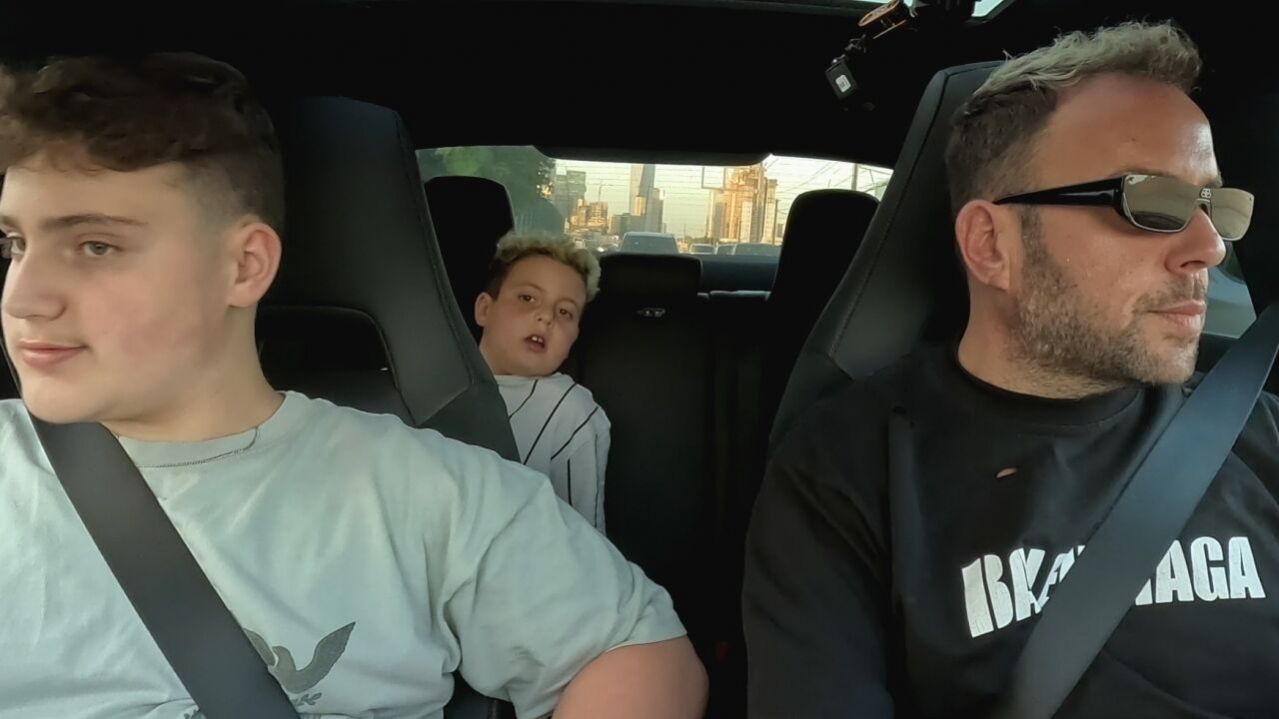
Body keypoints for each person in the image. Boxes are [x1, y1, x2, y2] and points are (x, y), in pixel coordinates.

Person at [0, 53, 706, 718]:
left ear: (244, 265)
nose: (23, 296)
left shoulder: (435, 491)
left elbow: (637, 651)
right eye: (15, 244)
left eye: (96, 245)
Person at [743, 21, 1274, 718]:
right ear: (991, 245)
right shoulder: (845, 474)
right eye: (1150, 202)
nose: (1208, 247)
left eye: (1215, 206)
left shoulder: (1260, 430)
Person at [475, 232, 611, 533]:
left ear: (574, 338)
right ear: (484, 309)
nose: (546, 317)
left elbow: (582, 538)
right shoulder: (425, 381)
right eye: (527, 298)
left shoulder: (569, 411)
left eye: (565, 312)